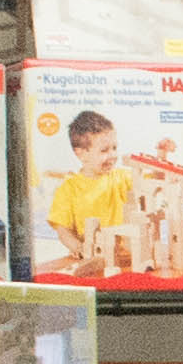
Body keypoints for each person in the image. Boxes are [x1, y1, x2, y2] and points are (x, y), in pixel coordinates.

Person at [45, 109, 131, 276]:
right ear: (81, 154)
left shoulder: (122, 177)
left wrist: (162, 154)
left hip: (125, 258)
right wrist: (77, 247)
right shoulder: (68, 188)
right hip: (93, 259)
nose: (113, 155)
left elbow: (152, 179)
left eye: (114, 148)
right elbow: (63, 230)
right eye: (104, 150)